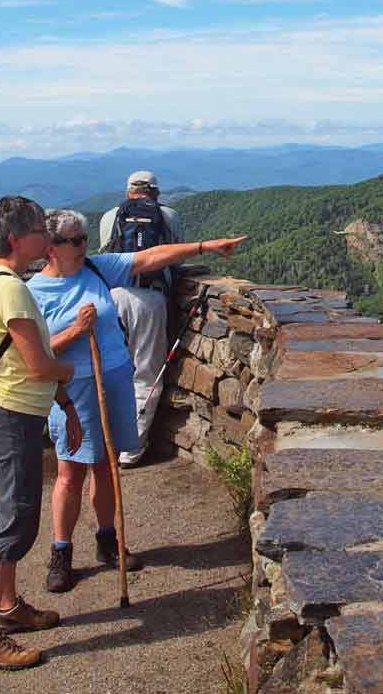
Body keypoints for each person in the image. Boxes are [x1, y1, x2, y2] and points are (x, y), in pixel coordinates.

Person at [30, 208, 246, 592]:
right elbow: (37, 354)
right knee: (69, 472)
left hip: (113, 377)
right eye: (75, 240)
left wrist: (205, 246)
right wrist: (78, 331)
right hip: (73, 389)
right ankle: (61, 552)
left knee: (106, 464)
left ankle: (108, 541)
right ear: (51, 248)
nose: (84, 245)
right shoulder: (34, 292)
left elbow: (149, 258)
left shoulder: (96, 269)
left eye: (84, 238)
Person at [0, 196, 79, 672]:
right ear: (16, 239)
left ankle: (10, 609)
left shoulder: (8, 283)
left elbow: (20, 363)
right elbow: (38, 364)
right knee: (13, 521)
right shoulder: (10, 289)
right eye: (39, 230)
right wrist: (67, 374)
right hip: (11, 417)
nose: (47, 238)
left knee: (17, 515)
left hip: (15, 412)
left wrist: (65, 405)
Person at [98, 170, 185, 468]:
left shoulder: (110, 217)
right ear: (156, 192)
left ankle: (104, 439)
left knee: (110, 369)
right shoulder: (169, 216)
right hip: (150, 299)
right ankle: (131, 450)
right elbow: (176, 257)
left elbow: (104, 259)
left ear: (128, 192)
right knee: (146, 376)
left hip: (113, 298)